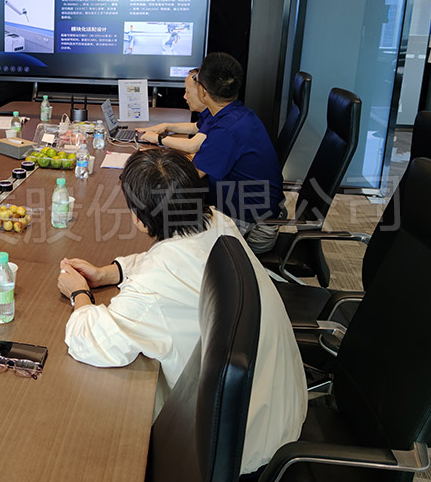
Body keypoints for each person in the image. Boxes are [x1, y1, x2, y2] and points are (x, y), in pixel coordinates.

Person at [56, 149, 306, 475]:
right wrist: (108, 273)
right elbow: (168, 258)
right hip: (275, 398)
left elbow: (90, 340)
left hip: (237, 447)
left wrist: (79, 292)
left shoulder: (156, 285)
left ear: (139, 220)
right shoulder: (216, 221)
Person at [190, 52, 283, 253]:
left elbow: (190, 176)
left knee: (176, 241)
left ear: (203, 91)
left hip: (253, 228)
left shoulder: (227, 130)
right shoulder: (235, 113)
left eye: (196, 79)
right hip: (247, 213)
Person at [137, 68, 209, 154]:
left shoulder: (216, 117)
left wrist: (158, 138)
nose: (185, 96)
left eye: (187, 92)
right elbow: (195, 127)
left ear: (202, 92)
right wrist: (166, 126)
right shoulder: (209, 113)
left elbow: (192, 146)